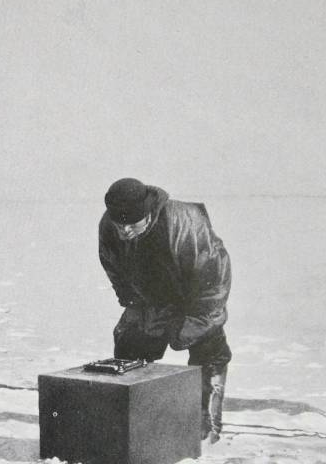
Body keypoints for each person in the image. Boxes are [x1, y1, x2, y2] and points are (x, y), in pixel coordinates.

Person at [98, 178, 231, 443]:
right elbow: (113, 267)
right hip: (152, 298)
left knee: (210, 351)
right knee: (128, 347)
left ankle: (205, 429)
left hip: (197, 295)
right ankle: (136, 423)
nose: (125, 231)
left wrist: (198, 320)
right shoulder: (109, 226)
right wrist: (132, 303)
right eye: (120, 225)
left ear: (147, 214)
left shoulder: (184, 223)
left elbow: (212, 276)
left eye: (132, 224)